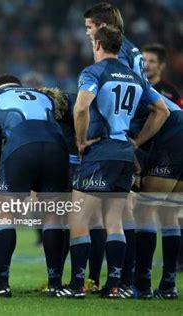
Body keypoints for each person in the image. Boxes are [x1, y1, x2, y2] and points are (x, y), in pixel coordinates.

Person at [83, 2, 183, 299]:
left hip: (167, 132)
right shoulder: (132, 49)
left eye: (89, 27)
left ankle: (140, 284)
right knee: (167, 213)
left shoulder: (115, 57)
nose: (86, 34)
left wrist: (134, 144)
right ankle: (166, 284)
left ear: (101, 27)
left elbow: (157, 110)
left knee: (144, 209)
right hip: (174, 128)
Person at [64, 26, 168, 299]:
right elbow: (162, 110)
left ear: (97, 44)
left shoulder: (93, 72)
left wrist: (81, 139)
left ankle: (76, 286)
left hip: (100, 152)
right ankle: (115, 285)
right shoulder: (136, 77)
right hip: (124, 153)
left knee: (79, 218)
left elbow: (82, 106)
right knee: (114, 221)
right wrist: (136, 142)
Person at [0, 74, 70, 298]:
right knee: (52, 218)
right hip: (57, 150)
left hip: (21, 147)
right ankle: (55, 284)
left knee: (4, 215)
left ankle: (1, 283)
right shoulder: (42, 96)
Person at [142, 43, 182, 109]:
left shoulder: (172, 92)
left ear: (161, 65)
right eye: (144, 60)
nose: (146, 65)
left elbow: (179, 116)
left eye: (152, 61)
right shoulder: (135, 86)